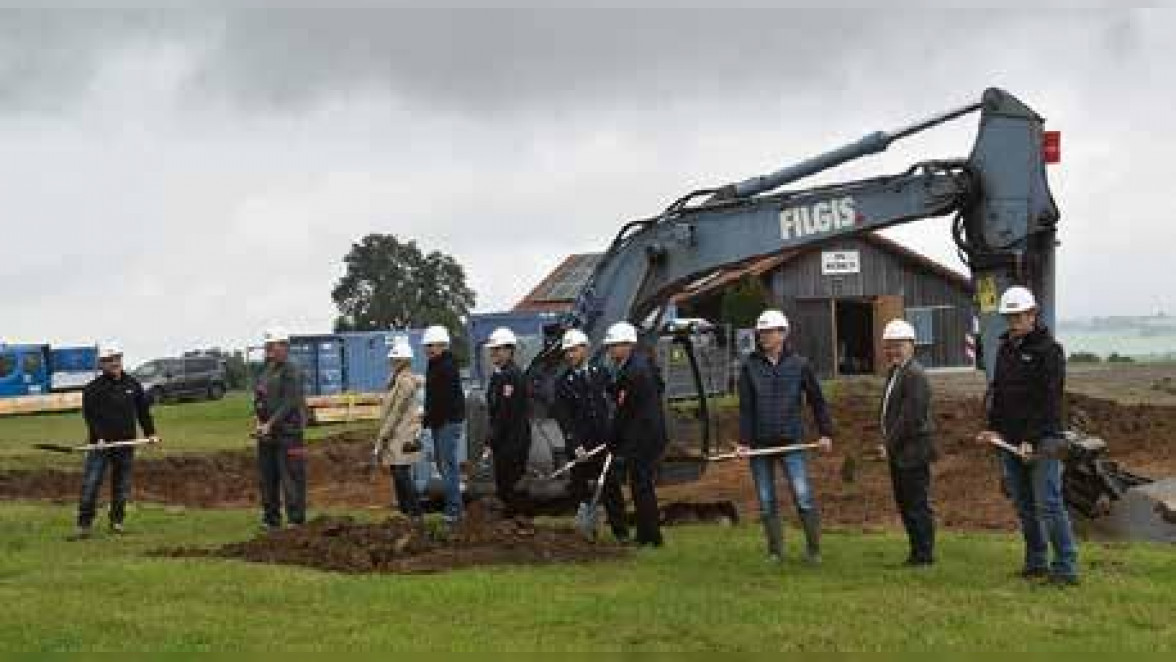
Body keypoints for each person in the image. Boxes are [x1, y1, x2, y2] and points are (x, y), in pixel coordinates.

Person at [976, 286, 1078, 586]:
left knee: (1048, 503)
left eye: (1019, 315)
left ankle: (1065, 567)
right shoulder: (1006, 349)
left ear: (1033, 314)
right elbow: (1000, 394)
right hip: (1010, 440)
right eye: (1010, 316)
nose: (1014, 321)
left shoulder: (1050, 351)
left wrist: (1031, 439)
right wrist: (994, 427)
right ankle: (1036, 562)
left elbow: (1049, 400)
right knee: (1024, 505)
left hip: (1045, 440)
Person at [737, 309, 834, 565]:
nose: (764, 337)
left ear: (783, 334)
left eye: (769, 332)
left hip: (792, 441)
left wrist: (825, 433)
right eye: (761, 333)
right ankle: (775, 552)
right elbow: (746, 409)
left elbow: (817, 401)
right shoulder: (749, 366)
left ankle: (814, 550)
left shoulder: (799, 364)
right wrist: (744, 443)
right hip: (759, 445)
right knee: (767, 501)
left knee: (803, 497)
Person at [69, 343, 159, 540]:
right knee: (91, 484)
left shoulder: (133, 385)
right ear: (102, 364)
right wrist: (99, 436)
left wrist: (151, 433)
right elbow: (90, 416)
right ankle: (84, 526)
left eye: (117, 359)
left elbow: (143, 411)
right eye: (109, 360)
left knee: (122, 485)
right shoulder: (93, 389)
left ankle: (117, 522)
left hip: (126, 445)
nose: (114, 363)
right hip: (100, 446)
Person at [552, 328, 628, 542]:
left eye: (573, 350)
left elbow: (613, 403)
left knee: (611, 488)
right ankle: (587, 533)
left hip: (604, 443)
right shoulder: (562, 384)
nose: (569, 355)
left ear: (585, 349)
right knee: (581, 491)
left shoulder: (601, 373)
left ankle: (621, 533)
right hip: (580, 447)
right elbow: (564, 418)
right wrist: (575, 444)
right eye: (566, 351)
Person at [878, 319, 937, 567]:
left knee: (916, 504)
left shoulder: (915, 375)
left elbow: (910, 418)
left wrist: (888, 444)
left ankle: (923, 555)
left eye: (898, 345)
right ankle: (916, 551)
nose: (893, 350)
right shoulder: (896, 372)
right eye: (889, 346)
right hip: (900, 451)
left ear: (912, 345)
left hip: (912, 451)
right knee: (905, 503)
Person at [603, 321, 667, 547]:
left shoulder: (634, 371)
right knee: (642, 487)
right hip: (647, 435)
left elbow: (625, 412)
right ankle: (648, 535)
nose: (610, 351)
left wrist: (612, 441)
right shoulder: (640, 366)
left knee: (641, 488)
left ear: (628, 345)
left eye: (613, 346)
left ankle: (649, 537)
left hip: (643, 437)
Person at [253, 327, 308, 531]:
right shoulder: (266, 370)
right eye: (266, 346)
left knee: (292, 478)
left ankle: (296, 520)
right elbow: (259, 397)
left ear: (284, 346)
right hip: (267, 435)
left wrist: (270, 423)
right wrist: (259, 421)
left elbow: (290, 402)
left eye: (271, 345)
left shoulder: (292, 370)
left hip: (289, 434)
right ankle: (271, 519)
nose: (268, 349)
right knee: (267, 479)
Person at [484, 327, 533, 517]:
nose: (493, 353)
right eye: (492, 350)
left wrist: (490, 441)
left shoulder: (511, 376)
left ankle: (519, 521)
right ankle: (512, 522)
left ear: (509, 350)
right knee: (504, 483)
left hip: (514, 440)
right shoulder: (499, 375)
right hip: (504, 440)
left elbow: (504, 414)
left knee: (512, 484)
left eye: (498, 349)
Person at [375, 340, 424, 527]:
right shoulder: (395, 380)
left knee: (402, 473)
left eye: (396, 359)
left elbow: (397, 411)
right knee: (397, 472)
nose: (392, 362)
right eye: (392, 359)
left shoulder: (405, 383)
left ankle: (415, 512)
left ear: (405, 361)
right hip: (396, 433)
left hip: (402, 434)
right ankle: (405, 512)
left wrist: (383, 435)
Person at [422, 324, 466, 529]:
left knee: (447, 466)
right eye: (427, 346)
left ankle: (454, 511)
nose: (429, 349)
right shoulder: (436, 364)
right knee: (445, 466)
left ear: (443, 345)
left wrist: (427, 419)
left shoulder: (446, 367)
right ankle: (455, 509)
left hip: (447, 422)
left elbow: (442, 400)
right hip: (442, 421)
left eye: (433, 345)